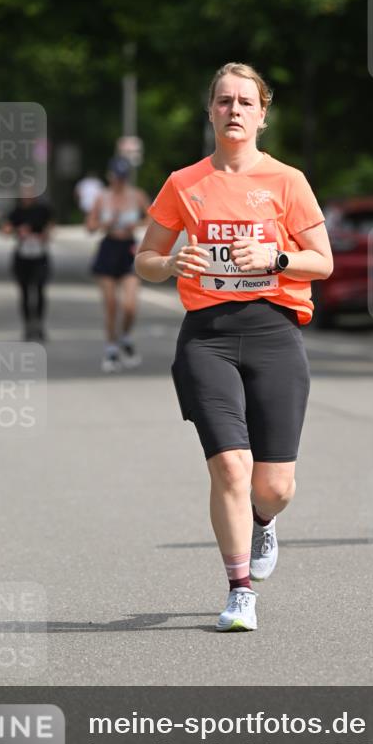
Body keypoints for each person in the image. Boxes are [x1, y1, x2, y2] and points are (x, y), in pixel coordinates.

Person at [135, 62, 333, 631]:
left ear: (263, 114)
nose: (235, 111)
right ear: (211, 111)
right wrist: (171, 261)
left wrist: (275, 258)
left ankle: (263, 520)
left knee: (272, 486)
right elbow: (146, 260)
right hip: (208, 339)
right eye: (224, 101)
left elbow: (322, 262)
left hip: (274, 334)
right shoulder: (184, 183)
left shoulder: (287, 182)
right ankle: (239, 590)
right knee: (229, 465)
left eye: (246, 102)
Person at [86, 156, 149, 372]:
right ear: (109, 176)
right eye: (116, 177)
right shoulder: (101, 197)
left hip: (129, 249)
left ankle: (125, 336)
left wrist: (137, 223)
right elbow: (90, 226)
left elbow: (153, 219)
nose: (119, 182)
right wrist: (106, 223)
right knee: (111, 304)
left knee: (130, 305)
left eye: (122, 177)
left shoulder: (137, 195)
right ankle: (111, 348)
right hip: (108, 248)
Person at [3, 185, 54, 341]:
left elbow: (51, 226)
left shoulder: (42, 210)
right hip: (22, 256)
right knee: (24, 292)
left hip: (39, 255)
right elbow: (5, 229)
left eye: (30, 192)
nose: (27, 196)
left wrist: (45, 235)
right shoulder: (16, 211)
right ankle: (27, 326)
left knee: (39, 290)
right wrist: (17, 231)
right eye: (24, 192)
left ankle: (39, 324)